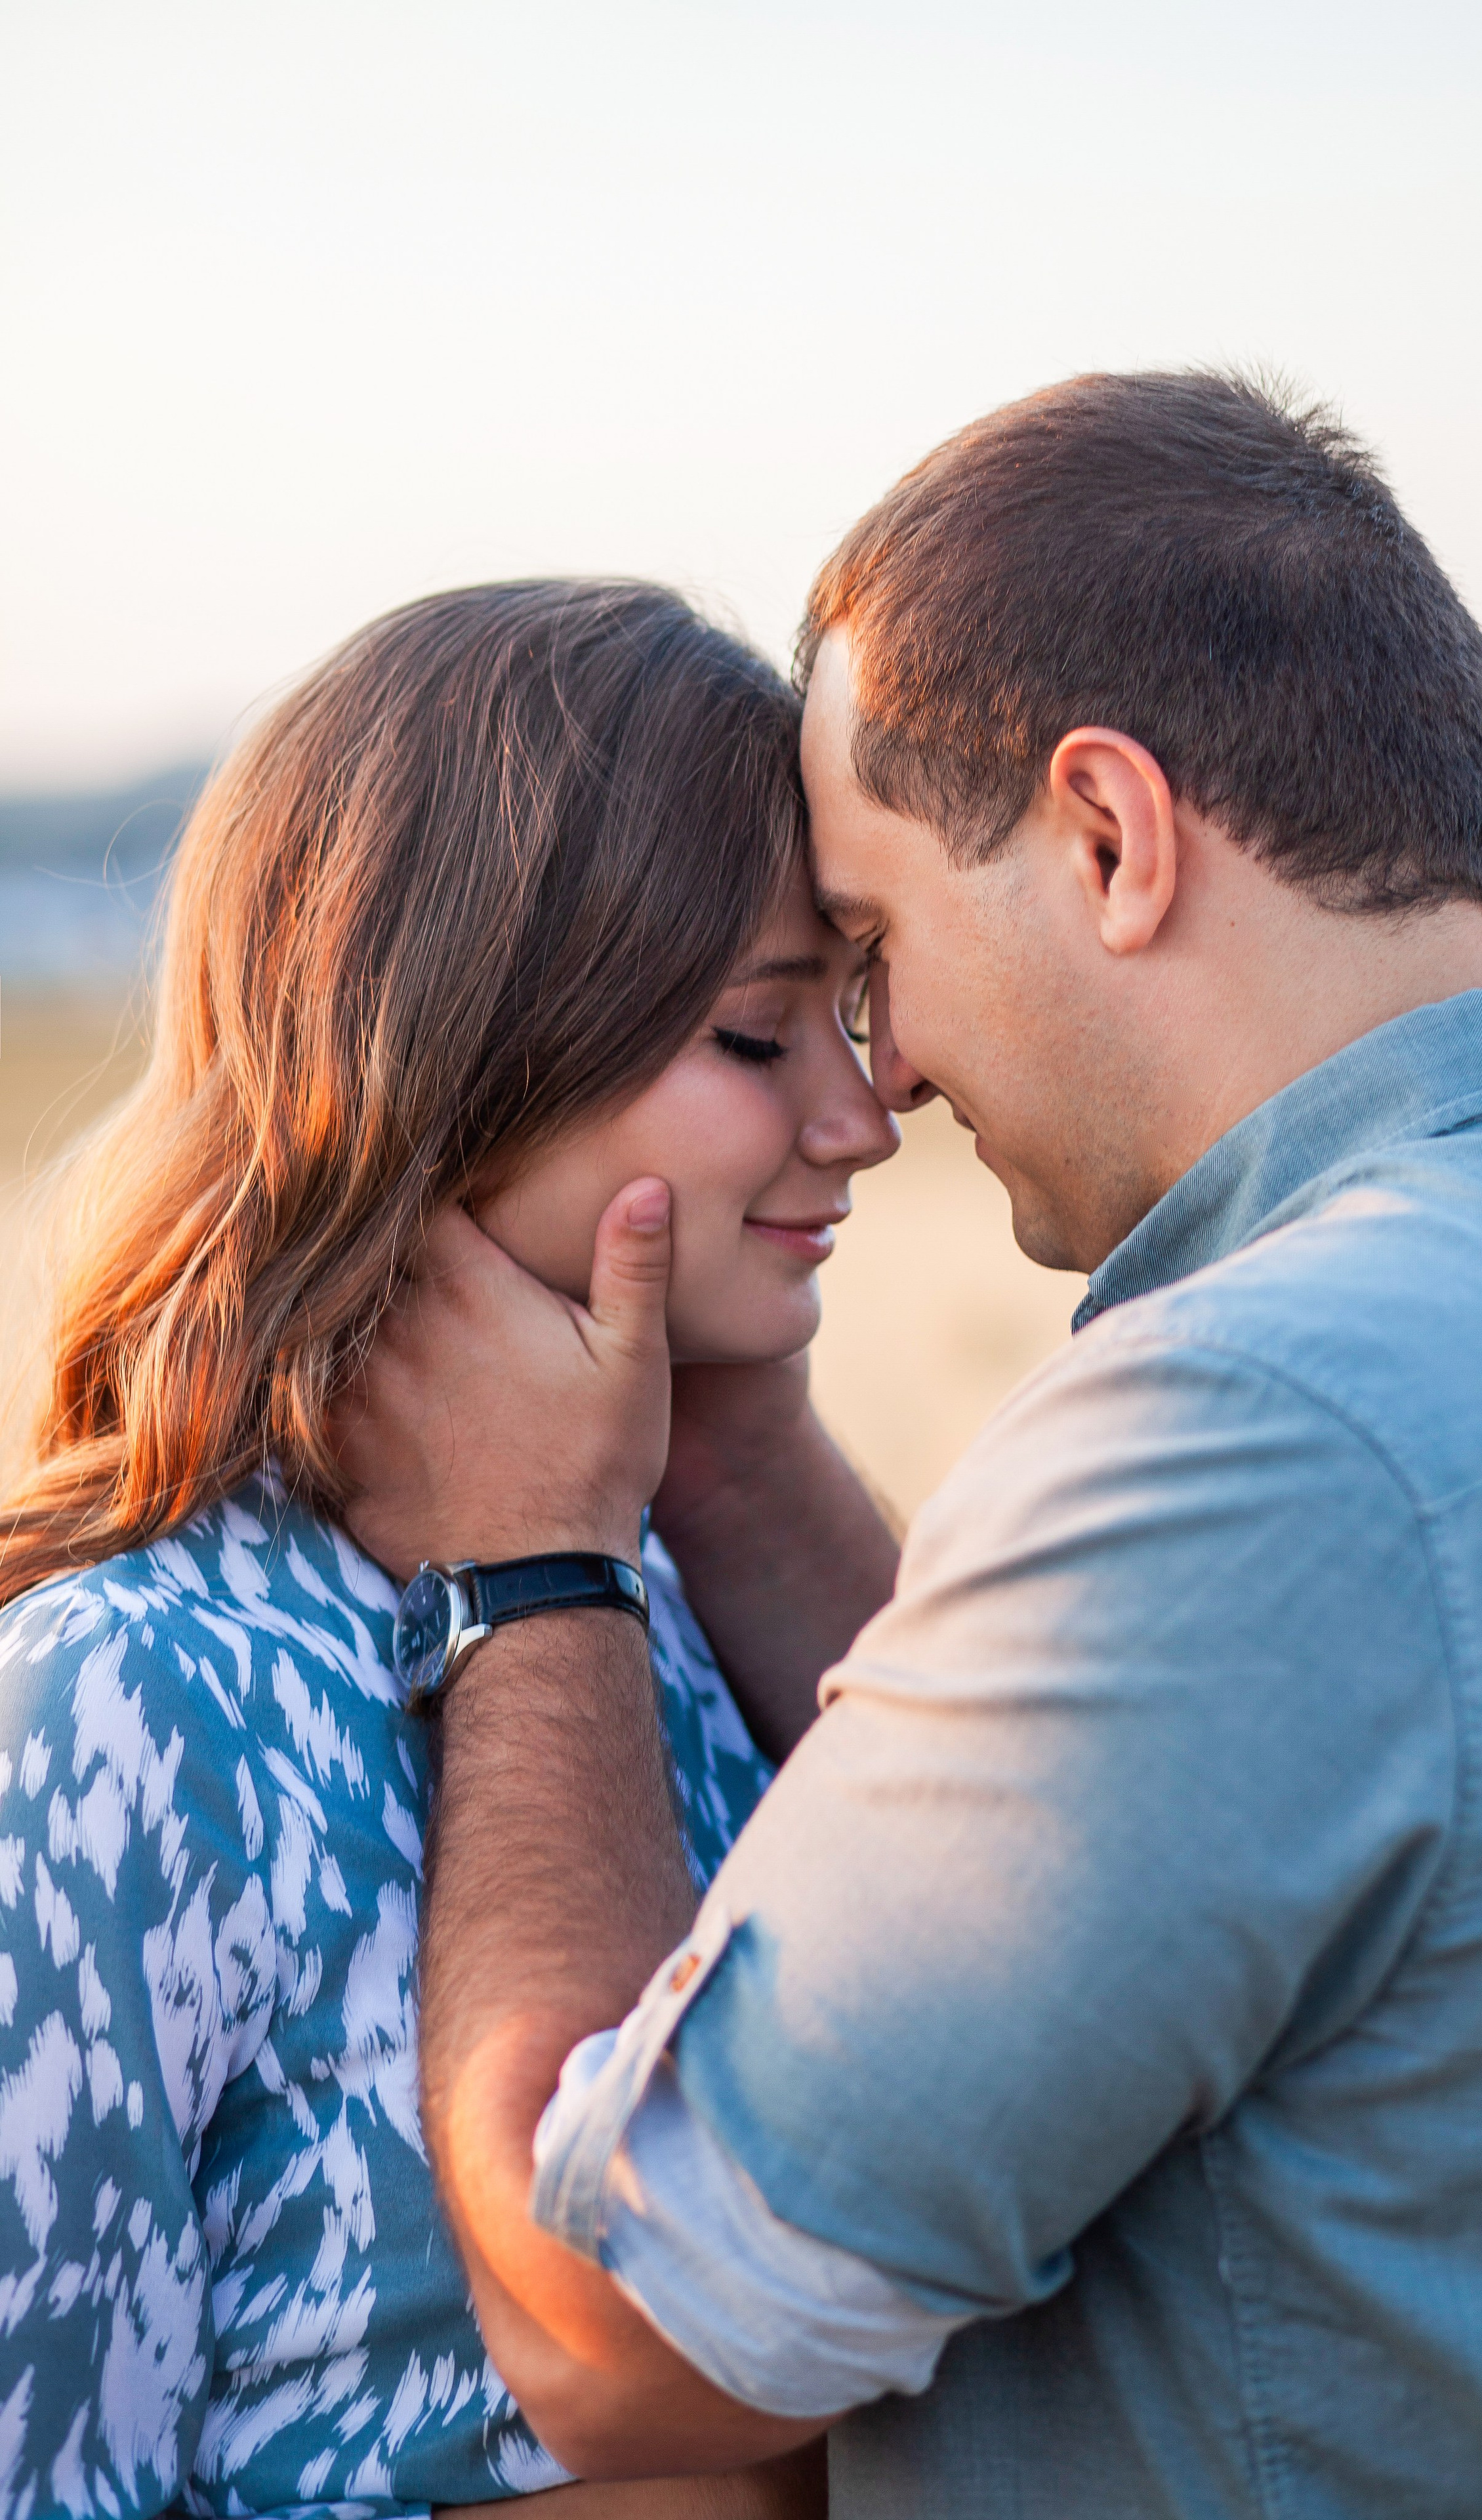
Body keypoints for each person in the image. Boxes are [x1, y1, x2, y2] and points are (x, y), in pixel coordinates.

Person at [340, 374, 1482, 2519]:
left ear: (1109, 837)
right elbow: (1158, 1839)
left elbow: (625, 2339)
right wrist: (742, 1441)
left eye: (870, 953)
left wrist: (534, 1572)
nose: (888, 1081)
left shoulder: (1263, 1428)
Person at [0, 579, 894, 2518]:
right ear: (464, 1053)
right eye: (758, 1035)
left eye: (856, 1012)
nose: (861, 1117)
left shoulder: (666, 1605)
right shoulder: (121, 1706)